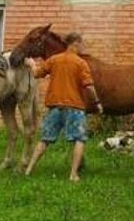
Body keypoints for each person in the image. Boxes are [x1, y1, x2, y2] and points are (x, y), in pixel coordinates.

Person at [23, 32, 102, 182]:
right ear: (75, 43)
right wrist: (97, 103)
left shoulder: (54, 60)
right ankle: (73, 174)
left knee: (45, 139)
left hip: (55, 107)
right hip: (75, 107)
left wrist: (31, 64)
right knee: (79, 139)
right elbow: (89, 86)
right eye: (81, 44)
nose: (82, 47)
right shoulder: (80, 63)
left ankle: (28, 170)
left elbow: (37, 73)